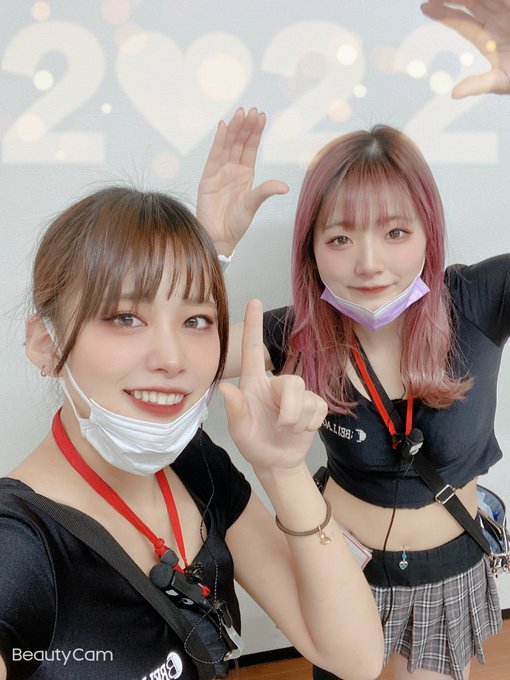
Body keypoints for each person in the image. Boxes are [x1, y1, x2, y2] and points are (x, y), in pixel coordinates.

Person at [195, 2, 510, 679]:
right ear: (311, 249)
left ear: (428, 232)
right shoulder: (294, 332)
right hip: (340, 568)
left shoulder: (478, 300)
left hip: (450, 569)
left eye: (395, 232)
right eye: (340, 238)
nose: (369, 264)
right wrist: (210, 249)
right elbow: (181, 362)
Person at [0, 187, 384, 680]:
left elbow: (355, 658)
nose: (173, 358)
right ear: (45, 343)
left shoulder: (193, 462)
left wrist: (283, 470)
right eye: (125, 318)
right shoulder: (19, 545)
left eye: (196, 320)